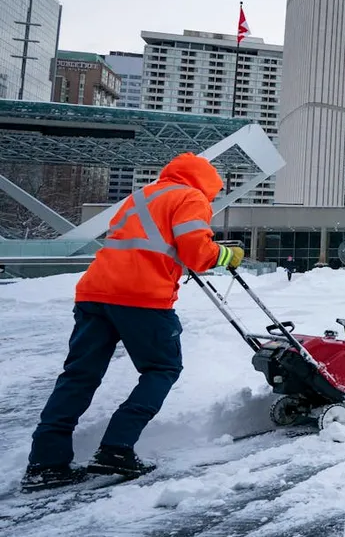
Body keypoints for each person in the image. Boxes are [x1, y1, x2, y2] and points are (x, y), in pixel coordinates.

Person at [21, 152, 245, 493]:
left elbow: (147, 244)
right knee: (162, 369)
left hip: (95, 293)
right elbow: (198, 255)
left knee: (79, 376)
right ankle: (116, 447)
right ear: (207, 182)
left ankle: (46, 464)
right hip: (142, 297)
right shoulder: (191, 197)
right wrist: (228, 254)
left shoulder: (141, 196)